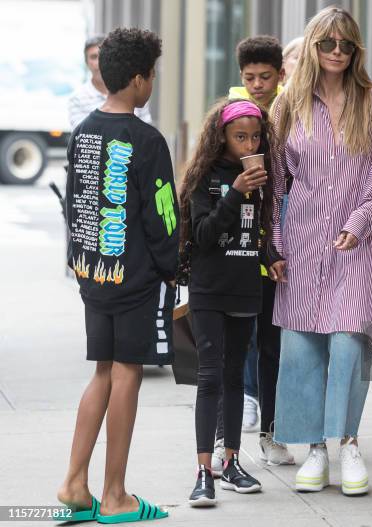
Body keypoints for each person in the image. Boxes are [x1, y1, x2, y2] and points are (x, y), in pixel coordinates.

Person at [268, 7, 372, 496]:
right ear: (312, 46)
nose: (337, 54)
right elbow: (277, 185)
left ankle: (347, 441)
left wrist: (360, 222)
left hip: (357, 239)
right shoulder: (287, 106)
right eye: (328, 45)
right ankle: (314, 450)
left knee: (349, 341)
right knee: (303, 344)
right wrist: (276, 244)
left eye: (346, 46)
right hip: (302, 238)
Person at [58, 28, 177, 523]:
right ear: (136, 79)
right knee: (127, 374)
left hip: (94, 274)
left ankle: (74, 484)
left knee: (102, 371)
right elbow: (163, 215)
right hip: (135, 278)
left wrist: (80, 261)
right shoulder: (147, 140)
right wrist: (175, 267)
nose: (153, 82)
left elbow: (76, 200)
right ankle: (114, 495)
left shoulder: (84, 130)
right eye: (151, 75)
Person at [178, 98, 278, 506]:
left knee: (236, 376)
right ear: (222, 136)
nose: (249, 143)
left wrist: (272, 259)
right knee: (210, 378)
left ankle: (233, 460)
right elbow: (203, 233)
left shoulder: (259, 178)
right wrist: (235, 192)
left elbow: (255, 235)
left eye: (255, 137)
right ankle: (204, 470)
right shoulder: (206, 177)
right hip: (208, 288)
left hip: (244, 288)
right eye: (241, 137)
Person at [223, 35, 294, 469]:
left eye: (265, 77)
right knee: (236, 344)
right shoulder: (227, 116)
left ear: (280, 75)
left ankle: (271, 432)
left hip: (276, 239)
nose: (257, 85)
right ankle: (225, 438)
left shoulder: (291, 112)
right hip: (237, 245)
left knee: (271, 343)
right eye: (249, 78)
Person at [68, 35, 152, 129]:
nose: (99, 62)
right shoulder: (77, 99)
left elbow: (146, 129)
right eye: (94, 57)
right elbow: (81, 135)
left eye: (102, 56)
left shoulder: (133, 90)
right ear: (87, 62)